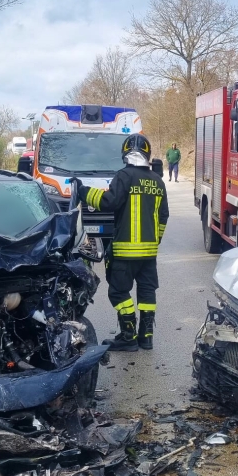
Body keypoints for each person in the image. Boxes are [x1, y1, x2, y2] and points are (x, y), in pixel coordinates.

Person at [76, 134, 169, 351]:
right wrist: (156, 240)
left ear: (125, 153)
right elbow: (163, 216)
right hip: (148, 253)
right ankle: (146, 337)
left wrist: (83, 191)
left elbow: (108, 202)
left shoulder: (124, 176)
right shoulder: (157, 181)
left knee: (118, 292)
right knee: (147, 292)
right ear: (147, 154)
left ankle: (128, 337)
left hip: (124, 251)